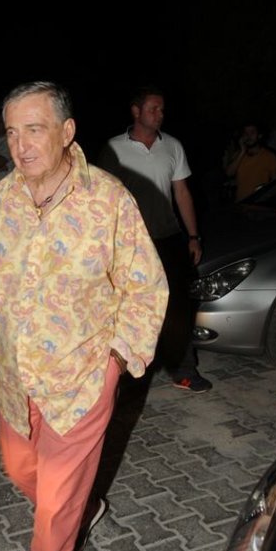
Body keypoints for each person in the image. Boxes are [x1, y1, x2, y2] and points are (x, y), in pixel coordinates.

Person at [0, 81, 168, 551]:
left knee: (53, 507)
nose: (20, 145)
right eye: (12, 132)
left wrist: (117, 361)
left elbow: (147, 288)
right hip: (16, 383)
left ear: (67, 132)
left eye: (34, 129)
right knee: (21, 469)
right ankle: (83, 508)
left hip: (82, 381)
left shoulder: (109, 201)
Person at [98, 85, 212, 393]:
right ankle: (120, 376)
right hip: (129, 242)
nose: (160, 114)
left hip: (168, 237)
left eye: (162, 109)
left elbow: (182, 192)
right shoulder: (113, 148)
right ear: (136, 111)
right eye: (153, 109)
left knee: (178, 306)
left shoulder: (173, 145)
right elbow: (102, 197)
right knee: (127, 307)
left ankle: (184, 372)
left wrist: (193, 236)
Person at [224, 123, 276, 201]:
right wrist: (242, 152)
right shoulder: (239, 154)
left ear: (259, 136)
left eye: (252, 133)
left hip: (259, 204)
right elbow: (229, 173)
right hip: (240, 203)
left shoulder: (269, 156)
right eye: (246, 133)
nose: (248, 136)